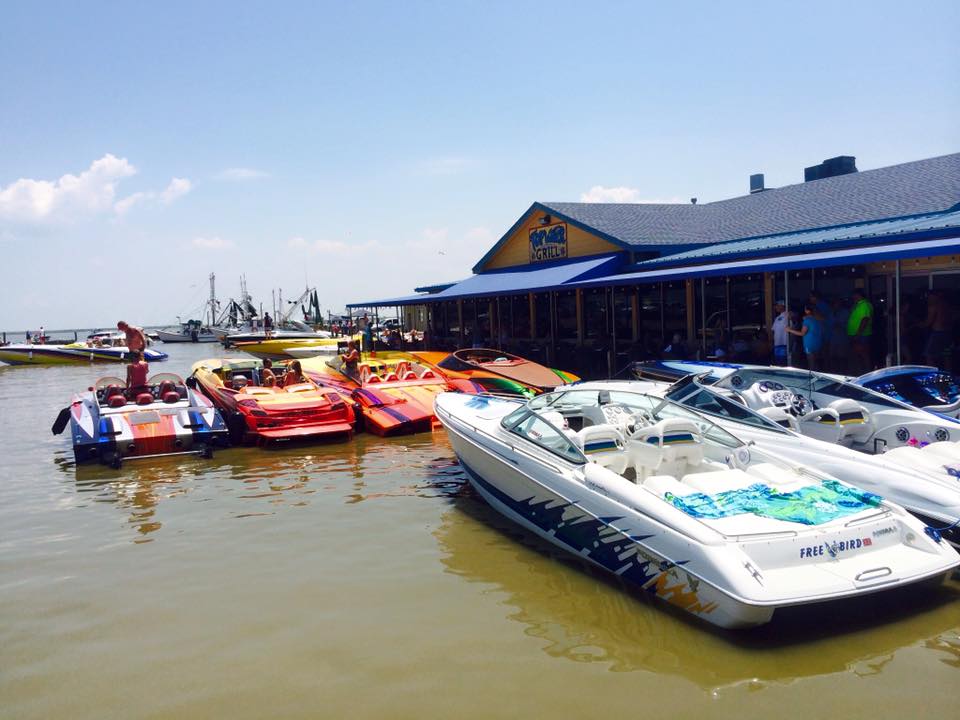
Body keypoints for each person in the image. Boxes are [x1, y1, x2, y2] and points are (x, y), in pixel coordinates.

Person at [787, 303, 824, 370]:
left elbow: (802, 333)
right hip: (818, 343)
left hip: (809, 344)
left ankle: (813, 376)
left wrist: (789, 330)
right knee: (816, 363)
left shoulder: (807, 320)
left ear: (807, 311)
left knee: (811, 364)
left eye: (805, 309)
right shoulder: (819, 319)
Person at [921, 290, 952, 367]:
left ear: (934, 297)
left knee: (928, 355)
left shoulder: (933, 306)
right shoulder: (946, 305)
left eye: (929, 297)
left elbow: (928, 322)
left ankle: (932, 372)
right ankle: (948, 371)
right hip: (947, 333)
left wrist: (917, 324)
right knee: (946, 355)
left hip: (937, 333)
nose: (928, 299)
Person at [847, 289, 874, 373]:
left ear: (858, 295)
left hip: (861, 334)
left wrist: (858, 334)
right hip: (856, 334)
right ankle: (860, 371)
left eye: (854, 294)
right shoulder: (858, 304)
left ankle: (865, 371)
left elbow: (865, 319)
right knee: (857, 354)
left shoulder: (864, 305)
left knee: (863, 354)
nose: (852, 296)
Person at [771, 300, 789, 365]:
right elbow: (773, 330)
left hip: (785, 344)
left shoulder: (788, 315)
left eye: (777, 305)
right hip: (777, 344)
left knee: (784, 363)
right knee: (778, 362)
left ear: (782, 306)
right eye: (775, 306)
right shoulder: (777, 318)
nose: (776, 307)